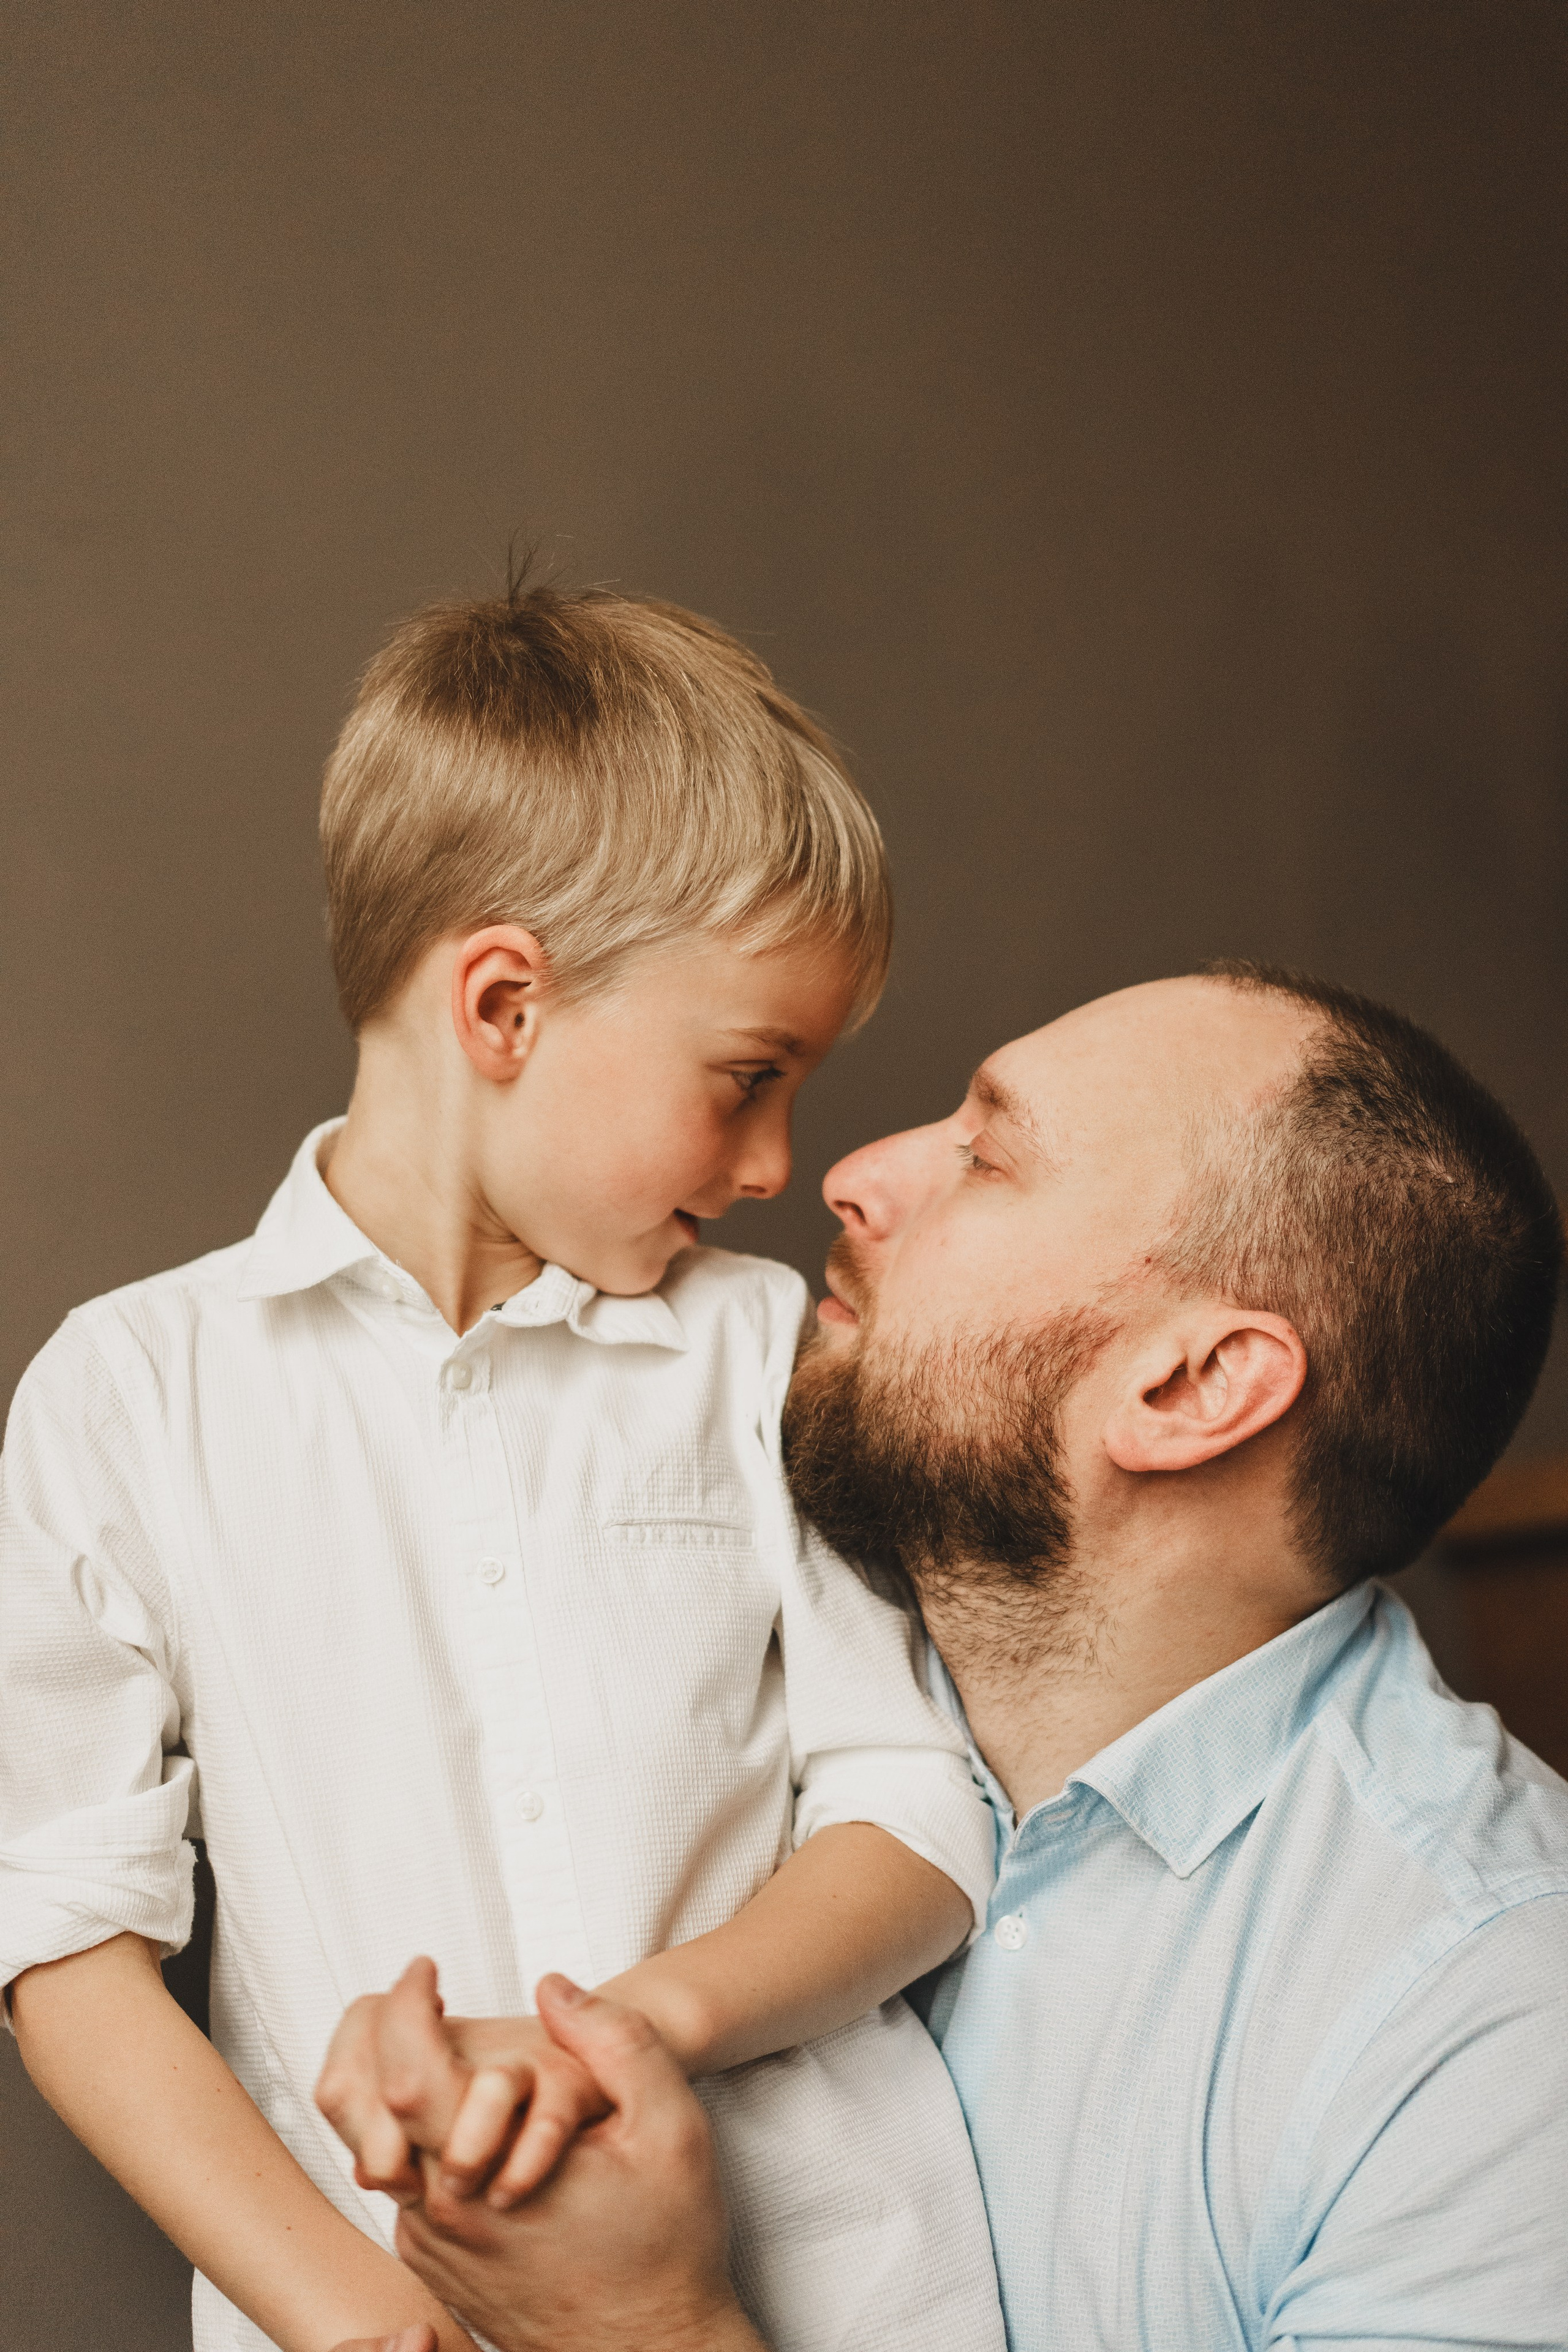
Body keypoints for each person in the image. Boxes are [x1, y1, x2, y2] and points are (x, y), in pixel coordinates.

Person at [0, 584, 1006, 2352]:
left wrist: (634, 2032)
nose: (780, 1160)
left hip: (844, 2300)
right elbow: (60, 1935)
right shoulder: (130, 1396)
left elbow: (918, 1821)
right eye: (748, 1076)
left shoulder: (763, 1350)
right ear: (505, 1005)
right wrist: (354, 2316)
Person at [323, 967, 1568, 2351]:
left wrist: (641, 2327)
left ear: (1188, 1387)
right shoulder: (672, 1717)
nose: (849, 1174)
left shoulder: (1491, 2022)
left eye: (987, 1155)